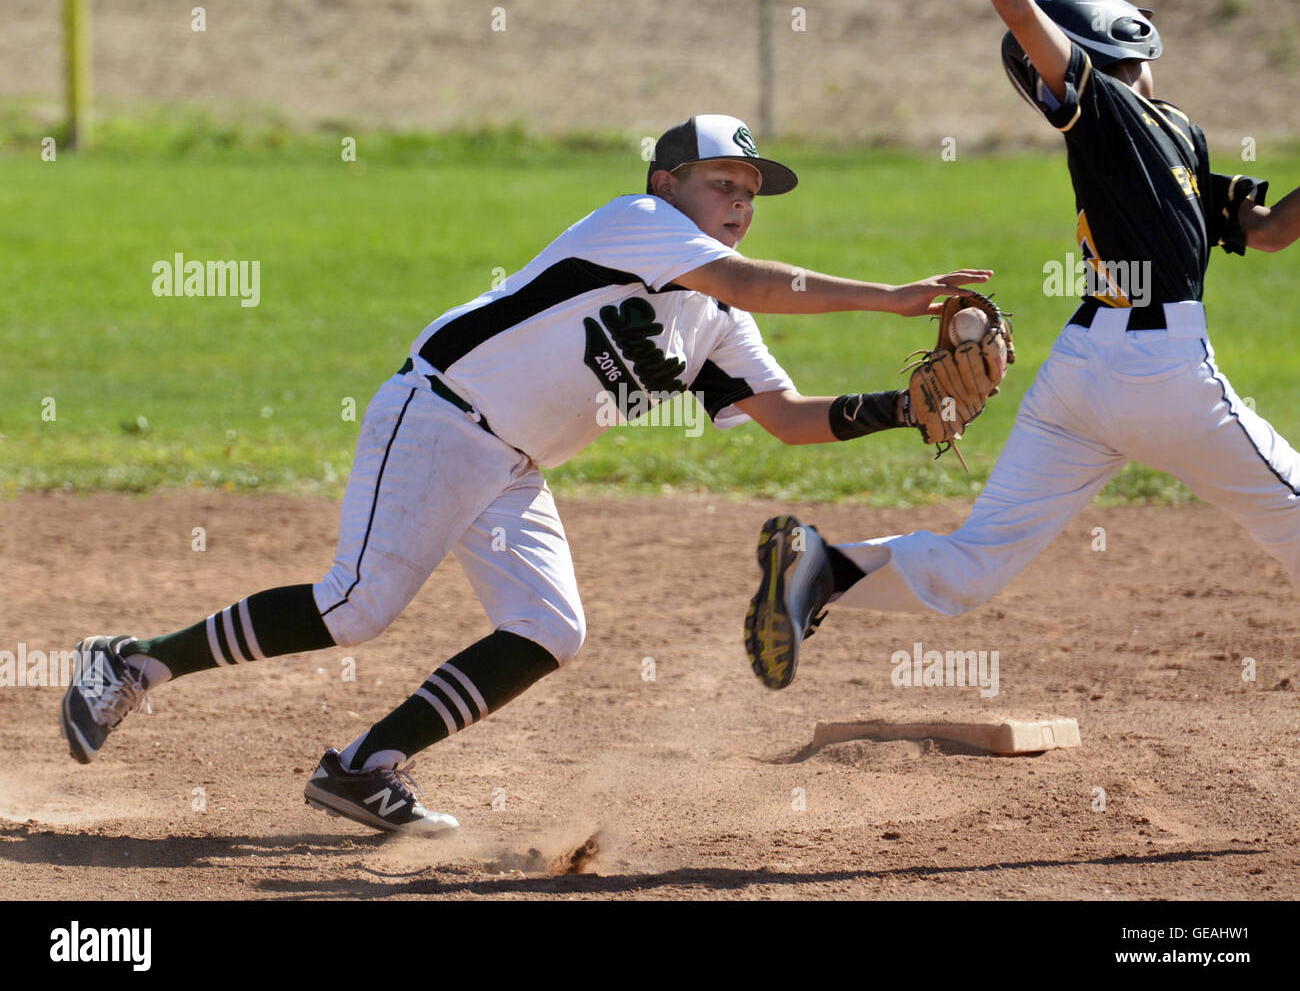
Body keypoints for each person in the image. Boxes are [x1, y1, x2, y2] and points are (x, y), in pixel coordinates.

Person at [61, 114, 990, 834]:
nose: (741, 203)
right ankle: (132, 662)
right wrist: (893, 298)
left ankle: (363, 766)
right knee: (355, 607)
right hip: (441, 412)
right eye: (723, 183)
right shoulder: (639, 225)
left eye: (751, 190)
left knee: (550, 627)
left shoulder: (714, 319)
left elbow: (787, 420)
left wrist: (901, 408)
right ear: (668, 184)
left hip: (510, 464)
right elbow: (754, 281)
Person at [743, 0, 1300, 692]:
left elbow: (1268, 232)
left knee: (976, 560)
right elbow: (1015, 9)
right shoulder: (1102, 110)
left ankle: (821, 569)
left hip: (1081, 375)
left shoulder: (1178, 135)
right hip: (1159, 369)